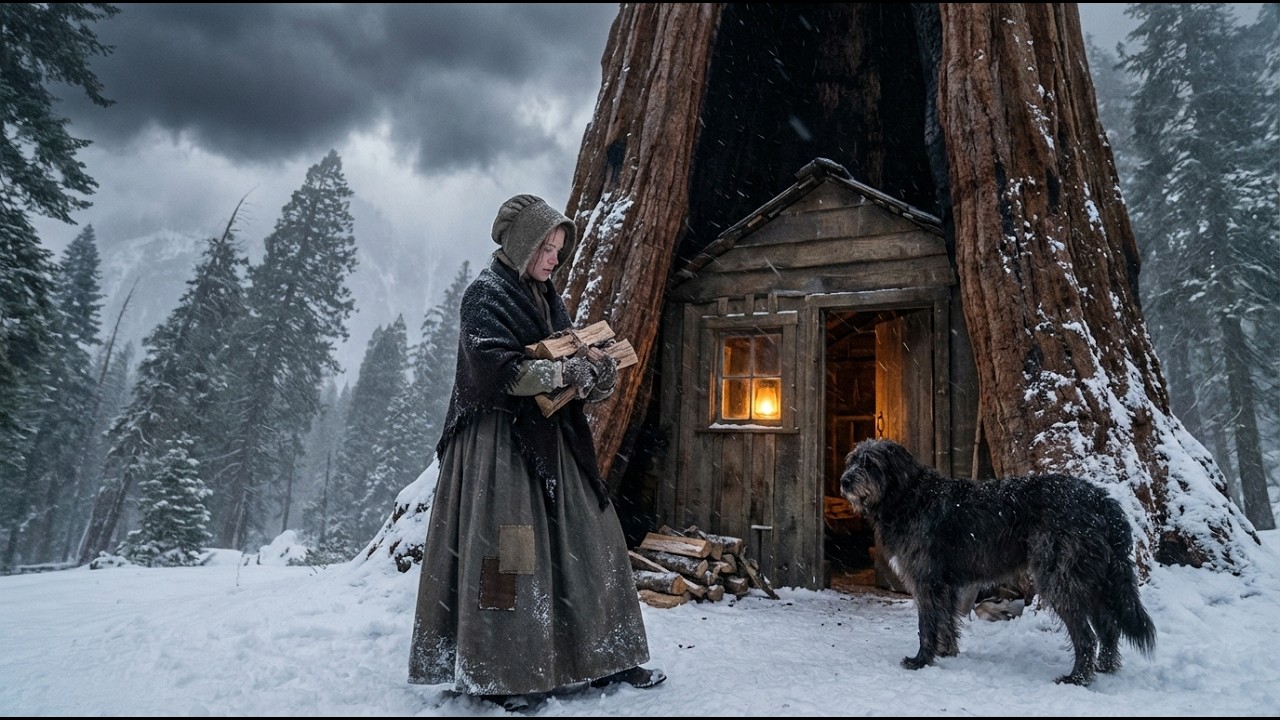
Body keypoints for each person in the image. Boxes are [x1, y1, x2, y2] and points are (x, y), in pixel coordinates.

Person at [407, 194, 665, 711]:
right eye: (546, 248)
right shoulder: (484, 295)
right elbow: (496, 372)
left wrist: (595, 372)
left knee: (594, 540)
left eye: (558, 249)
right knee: (509, 553)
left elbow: (566, 354)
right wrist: (563, 372)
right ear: (521, 244)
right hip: (497, 444)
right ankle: (505, 672)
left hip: (553, 437)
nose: (553, 259)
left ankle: (606, 657)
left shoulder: (546, 295)